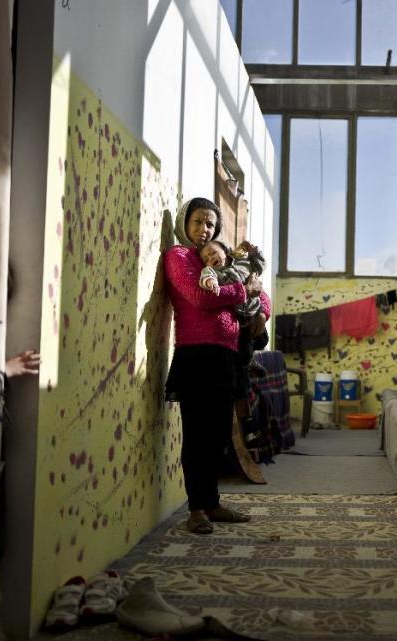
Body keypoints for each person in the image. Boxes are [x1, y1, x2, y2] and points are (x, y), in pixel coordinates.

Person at [163, 197, 270, 534]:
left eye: (209, 224)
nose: (203, 229)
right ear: (185, 224)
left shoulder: (223, 260)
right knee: (196, 435)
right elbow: (201, 298)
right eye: (197, 222)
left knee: (219, 436)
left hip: (227, 358)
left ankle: (212, 502)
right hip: (196, 357)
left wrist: (261, 309)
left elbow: (260, 292)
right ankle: (196, 509)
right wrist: (242, 290)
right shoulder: (180, 258)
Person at [198, 239, 269, 378]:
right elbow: (206, 275)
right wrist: (210, 282)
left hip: (256, 310)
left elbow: (260, 266)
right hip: (241, 318)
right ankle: (249, 365)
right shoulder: (216, 273)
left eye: (213, 253)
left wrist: (255, 253)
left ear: (226, 252)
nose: (211, 258)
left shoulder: (243, 262)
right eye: (206, 259)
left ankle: (250, 357)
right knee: (245, 346)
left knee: (263, 340)